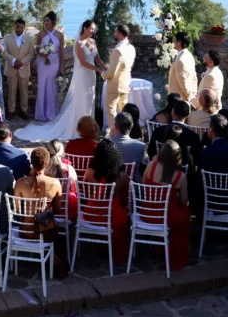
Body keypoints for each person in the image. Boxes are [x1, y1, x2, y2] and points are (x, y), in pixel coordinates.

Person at [16, 20, 103, 142]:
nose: (93, 31)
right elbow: (83, 62)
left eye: (94, 29)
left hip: (91, 76)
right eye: (91, 28)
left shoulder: (92, 42)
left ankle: (90, 128)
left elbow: (97, 57)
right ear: (84, 28)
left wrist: (104, 67)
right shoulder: (78, 43)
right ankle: (79, 128)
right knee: (81, 100)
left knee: (89, 100)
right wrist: (99, 69)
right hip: (82, 75)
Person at [12, 148, 67, 276]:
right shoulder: (54, 183)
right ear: (47, 164)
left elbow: (18, 210)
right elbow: (58, 210)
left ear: (31, 162)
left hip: (25, 232)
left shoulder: (20, 182)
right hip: (45, 233)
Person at [141, 140, 191, 270]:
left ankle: (160, 248)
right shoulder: (180, 176)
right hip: (165, 218)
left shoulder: (151, 165)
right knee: (186, 214)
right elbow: (183, 202)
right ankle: (173, 251)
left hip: (147, 213)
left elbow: (143, 185)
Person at [82, 139, 130, 266]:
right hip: (112, 215)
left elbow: (86, 194)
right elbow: (125, 200)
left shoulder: (89, 173)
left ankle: (99, 245)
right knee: (123, 218)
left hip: (92, 213)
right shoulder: (122, 176)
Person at [100, 23, 136, 131]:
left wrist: (103, 74)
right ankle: (125, 133)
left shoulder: (118, 50)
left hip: (115, 85)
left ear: (120, 34)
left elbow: (111, 72)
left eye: (115, 32)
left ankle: (114, 134)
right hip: (125, 84)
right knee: (124, 112)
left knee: (111, 110)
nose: (114, 33)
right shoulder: (131, 48)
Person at [33, 11, 65, 122]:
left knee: (52, 87)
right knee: (42, 86)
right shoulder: (41, 34)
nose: (45, 22)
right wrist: (42, 54)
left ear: (53, 22)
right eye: (45, 20)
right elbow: (37, 48)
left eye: (48, 20)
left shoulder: (60, 35)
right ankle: (41, 114)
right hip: (43, 62)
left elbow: (61, 52)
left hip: (55, 62)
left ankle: (52, 112)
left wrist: (61, 67)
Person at [1, 18, 35, 119]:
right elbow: (4, 52)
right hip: (11, 68)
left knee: (24, 92)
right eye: (17, 27)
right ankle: (11, 110)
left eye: (21, 28)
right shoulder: (7, 38)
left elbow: (31, 53)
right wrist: (13, 61)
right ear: (14, 27)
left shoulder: (29, 39)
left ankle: (24, 110)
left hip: (24, 69)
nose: (19, 29)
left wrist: (21, 63)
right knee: (11, 91)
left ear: (24, 28)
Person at [44, 139, 78, 221]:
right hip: (67, 208)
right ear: (62, 153)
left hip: (47, 210)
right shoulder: (69, 169)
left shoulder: (42, 170)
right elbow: (75, 189)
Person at [110, 111, 148, 180]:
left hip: (110, 187)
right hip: (133, 187)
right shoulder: (140, 146)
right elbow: (146, 168)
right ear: (132, 126)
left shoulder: (106, 145)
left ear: (115, 126)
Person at [168, 32, 199, 106]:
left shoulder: (180, 59)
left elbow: (182, 81)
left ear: (179, 42)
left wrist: (190, 97)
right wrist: (193, 92)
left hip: (178, 100)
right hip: (185, 98)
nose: (173, 42)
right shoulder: (189, 55)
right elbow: (194, 76)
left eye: (175, 40)